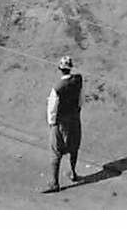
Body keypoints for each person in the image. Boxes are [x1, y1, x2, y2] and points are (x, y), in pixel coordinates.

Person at [47, 56, 83, 192]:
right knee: (74, 147)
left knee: (56, 151)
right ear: (71, 68)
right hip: (74, 119)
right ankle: (73, 172)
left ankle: (54, 183)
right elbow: (81, 100)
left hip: (61, 123)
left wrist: (52, 124)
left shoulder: (57, 88)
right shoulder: (78, 80)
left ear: (60, 69)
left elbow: (52, 108)